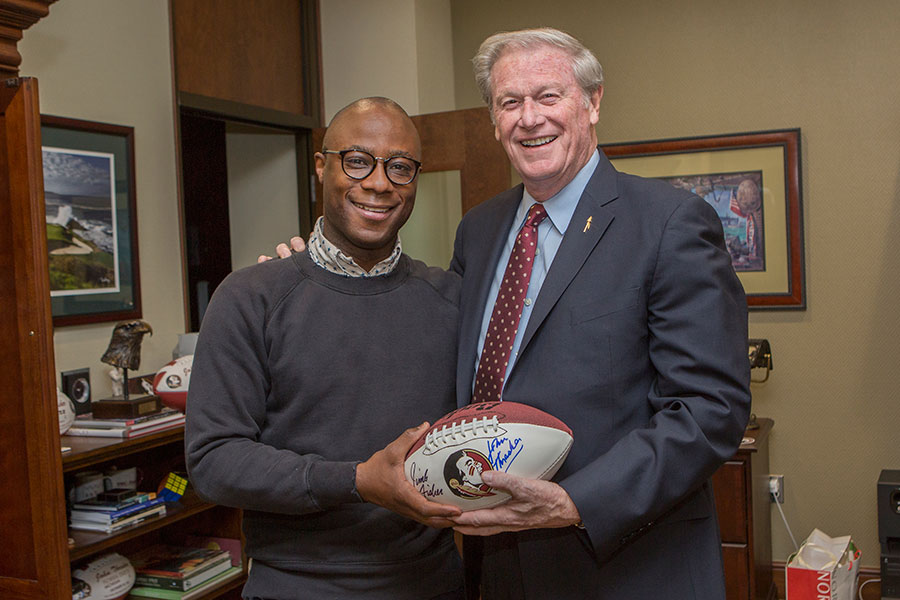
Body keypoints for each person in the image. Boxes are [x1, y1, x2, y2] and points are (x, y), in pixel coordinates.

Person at [270, 28, 750, 600]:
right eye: (509, 102)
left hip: (626, 564)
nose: (529, 119)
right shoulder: (480, 229)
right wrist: (319, 273)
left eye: (548, 96)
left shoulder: (669, 223)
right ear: (493, 119)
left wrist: (576, 502)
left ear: (592, 103)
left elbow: (710, 409)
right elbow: (427, 340)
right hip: (496, 564)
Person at [185, 97, 466, 600]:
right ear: (321, 165)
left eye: (400, 168)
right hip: (298, 585)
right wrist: (356, 481)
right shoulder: (250, 297)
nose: (379, 183)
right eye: (357, 161)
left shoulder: (451, 300)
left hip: (432, 581)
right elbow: (214, 461)